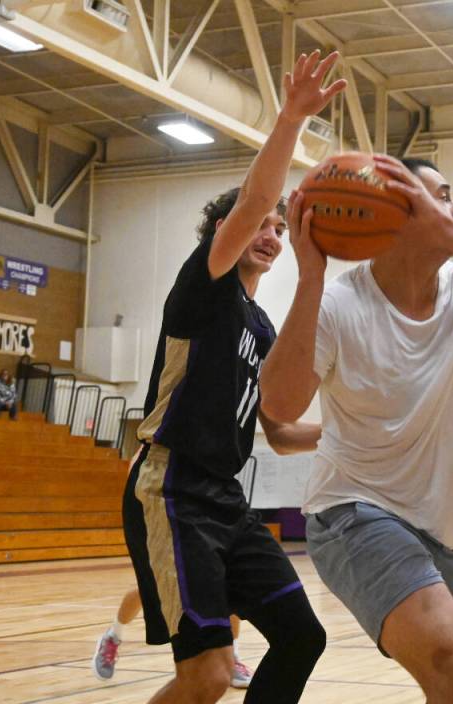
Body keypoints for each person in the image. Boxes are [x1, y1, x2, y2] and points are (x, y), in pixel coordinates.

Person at [260, 155, 453, 703]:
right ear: (396, 209)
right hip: (358, 512)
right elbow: (279, 404)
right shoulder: (340, 302)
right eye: (442, 197)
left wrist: (450, 231)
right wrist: (311, 279)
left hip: (450, 533)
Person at [121, 50, 344, 704]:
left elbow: (277, 430)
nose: (271, 233)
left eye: (280, 228)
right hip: (172, 486)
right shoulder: (203, 287)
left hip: (226, 497)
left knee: (302, 636)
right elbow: (252, 200)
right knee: (209, 676)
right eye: (261, 225)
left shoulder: (260, 325)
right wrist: (292, 119)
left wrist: (353, 434)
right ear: (224, 231)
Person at [92, 589, 254, 688]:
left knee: (224, 584)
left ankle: (232, 658)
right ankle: (113, 636)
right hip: (161, 535)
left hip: (205, 533)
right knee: (148, 588)